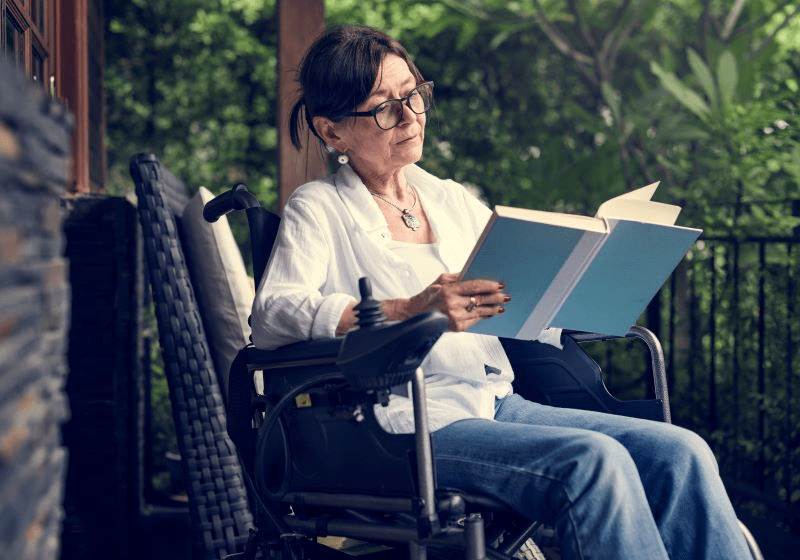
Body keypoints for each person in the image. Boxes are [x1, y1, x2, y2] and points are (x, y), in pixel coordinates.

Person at [251, 24, 752, 560]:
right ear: (332, 132)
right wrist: (408, 308)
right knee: (593, 461)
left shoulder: (448, 198)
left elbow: (515, 298)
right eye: (382, 107)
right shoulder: (319, 207)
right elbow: (272, 314)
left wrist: (586, 284)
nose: (409, 116)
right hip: (404, 423)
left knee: (680, 452)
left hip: (493, 402)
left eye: (413, 95)